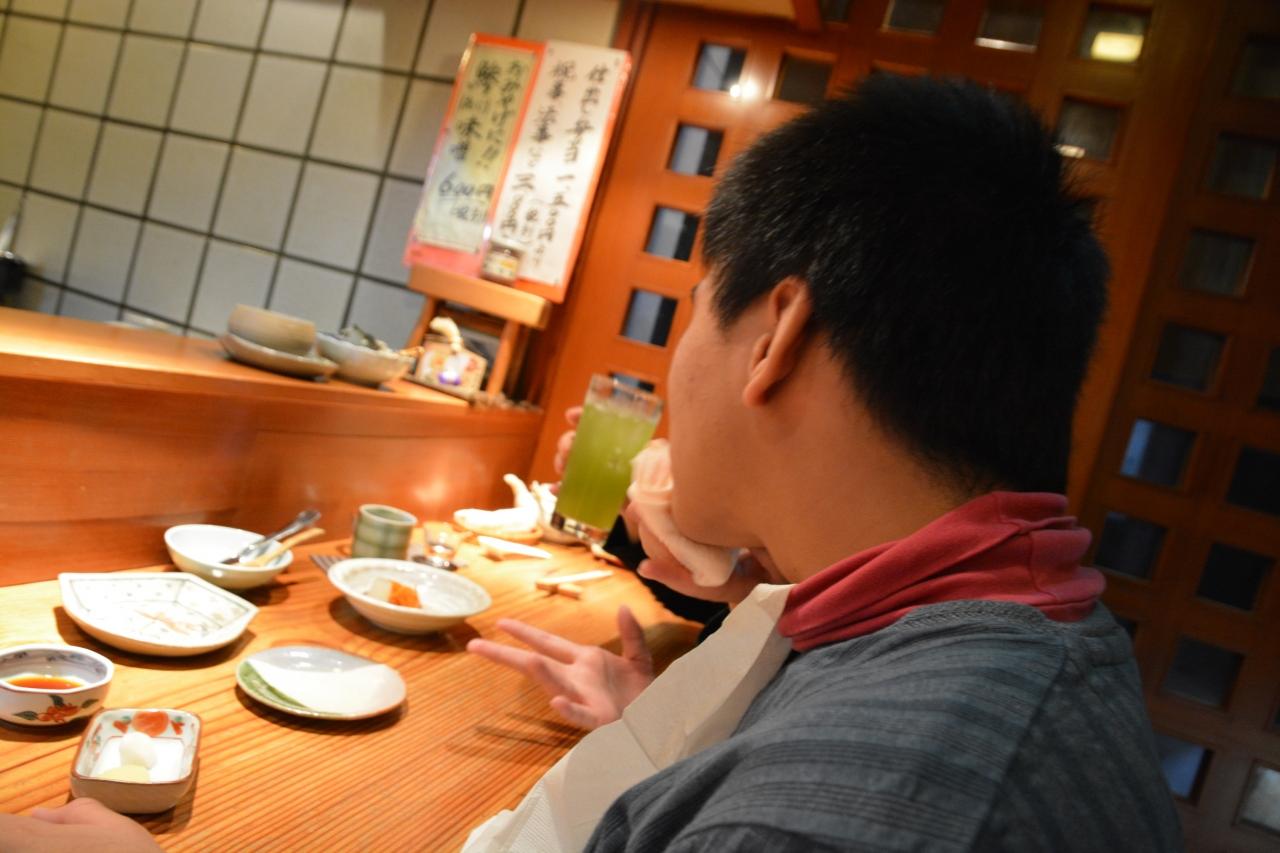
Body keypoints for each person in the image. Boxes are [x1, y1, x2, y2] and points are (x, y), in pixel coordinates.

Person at [0, 74, 1182, 851]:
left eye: (691, 311)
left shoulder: (868, 805)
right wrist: (678, 744)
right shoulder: (1002, 629)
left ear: (773, 336)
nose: (673, 366)